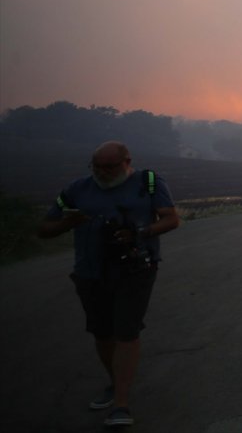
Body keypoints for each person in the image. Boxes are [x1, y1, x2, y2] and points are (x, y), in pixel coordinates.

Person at [39, 141, 180, 428]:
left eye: (109, 167)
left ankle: (121, 403)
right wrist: (70, 222)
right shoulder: (77, 189)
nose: (102, 173)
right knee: (103, 334)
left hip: (136, 269)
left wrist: (140, 232)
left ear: (127, 161)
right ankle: (116, 385)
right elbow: (44, 229)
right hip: (90, 272)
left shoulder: (149, 182)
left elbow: (171, 219)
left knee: (126, 332)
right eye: (97, 167)